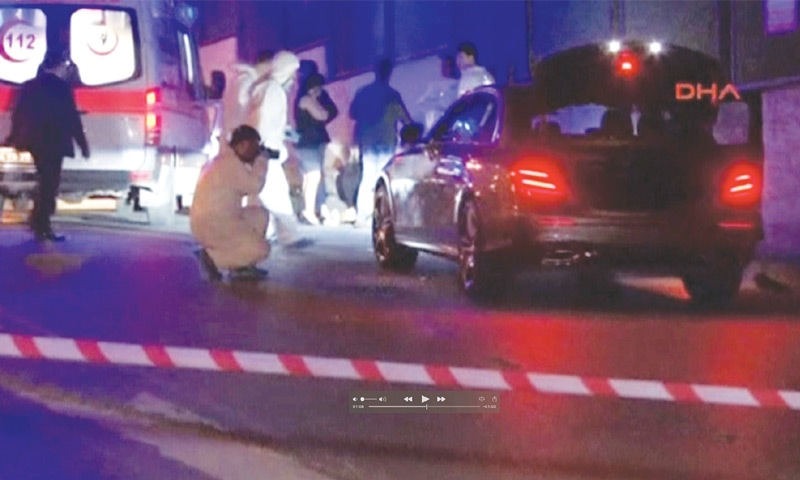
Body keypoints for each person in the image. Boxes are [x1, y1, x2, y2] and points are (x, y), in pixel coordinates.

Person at [5, 51, 90, 242]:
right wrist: (82, 144)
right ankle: (41, 223)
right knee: (50, 183)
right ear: (59, 66)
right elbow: (72, 118)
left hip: (34, 141)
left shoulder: (29, 86)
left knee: (44, 179)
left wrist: (13, 138)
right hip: (55, 142)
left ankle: (38, 220)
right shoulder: (62, 88)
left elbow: (18, 115)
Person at [241, 50, 312, 248]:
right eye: (294, 72)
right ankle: (289, 235)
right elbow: (263, 121)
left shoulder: (263, 87)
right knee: (277, 194)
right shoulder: (275, 91)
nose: (295, 78)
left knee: (263, 195)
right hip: (266, 151)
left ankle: (270, 232)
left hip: (259, 150)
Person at [190, 125, 270, 281]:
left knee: (260, 216)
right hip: (215, 223)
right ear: (243, 145)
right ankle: (212, 258)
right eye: (254, 147)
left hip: (212, 220)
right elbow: (254, 186)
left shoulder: (221, 160)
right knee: (262, 249)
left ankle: (241, 266)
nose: (256, 151)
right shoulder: (230, 163)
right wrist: (261, 162)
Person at [349, 58, 412, 226]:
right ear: (389, 73)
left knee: (367, 177)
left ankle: (362, 217)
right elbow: (405, 118)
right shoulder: (392, 95)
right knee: (384, 179)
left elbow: (352, 113)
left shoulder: (363, 92)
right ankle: (383, 216)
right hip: (386, 140)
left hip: (367, 140)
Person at [295, 72, 338, 225]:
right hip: (309, 145)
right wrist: (318, 102)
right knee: (313, 177)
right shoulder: (307, 100)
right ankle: (309, 211)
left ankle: (308, 210)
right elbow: (322, 115)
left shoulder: (305, 99)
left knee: (309, 178)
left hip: (310, 144)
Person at [416, 55, 459, 132]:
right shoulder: (435, 86)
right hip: (435, 124)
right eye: (443, 66)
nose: (443, 68)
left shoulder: (458, 86)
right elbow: (422, 103)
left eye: (447, 66)